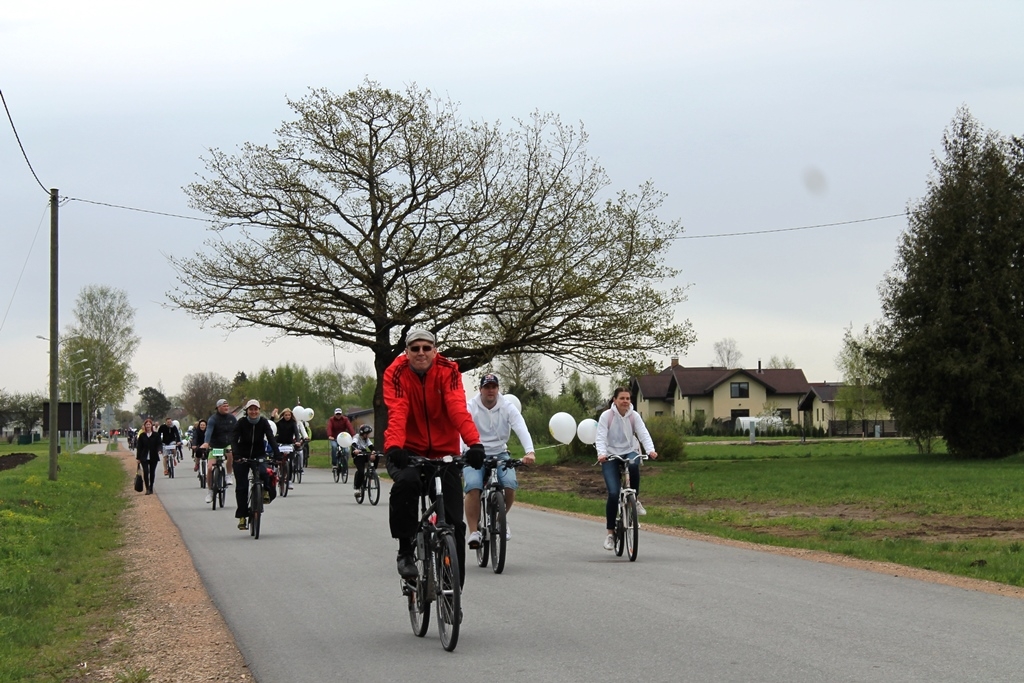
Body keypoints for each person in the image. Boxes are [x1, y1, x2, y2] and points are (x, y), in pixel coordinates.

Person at [383, 327, 485, 582]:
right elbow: (398, 410)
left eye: (426, 348)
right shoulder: (395, 372)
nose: (421, 353)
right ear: (406, 352)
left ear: (435, 350)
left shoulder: (449, 371)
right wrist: (395, 446)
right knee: (407, 484)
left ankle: (454, 591)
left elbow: (456, 408)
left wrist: (474, 444)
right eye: (415, 348)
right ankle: (405, 550)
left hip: (445, 453)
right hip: (409, 450)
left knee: (455, 523)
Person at [464, 373, 536, 547]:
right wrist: (461, 451)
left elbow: (520, 426)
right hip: (475, 452)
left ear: (497, 389)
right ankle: (474, 531)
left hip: (500, 452)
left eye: (493, 387)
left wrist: (530, 451)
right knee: (473, 487)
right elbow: (462, 427)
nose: (490, 391)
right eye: (487, 387)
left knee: (510, 485)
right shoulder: (471, 406)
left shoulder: (507, 406)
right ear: (480, 389)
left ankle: (499, 520)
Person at [595, 387, 658, 551]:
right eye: (622, 398)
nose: (625, 402)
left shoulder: (634, 416)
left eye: (628, 399)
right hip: (610, 454)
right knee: (614, 493)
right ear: (614, 400)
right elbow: (600, 436)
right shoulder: (606, 416)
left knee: (634, 463)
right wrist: (601, 454)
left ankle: (634, 500)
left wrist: (650, 450)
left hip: (629, 450)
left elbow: (643, 433)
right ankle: (610, 534)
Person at [232, 399, 280, 530]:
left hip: (258, 454)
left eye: (256, 409)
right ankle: (242, 516)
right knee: (242, 487)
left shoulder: (263, 422)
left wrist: (277, 454)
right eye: (251, 409)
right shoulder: (241, 423)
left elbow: (271, 438)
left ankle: (265, 491)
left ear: (259, 410)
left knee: (265, 472)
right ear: (247, 411)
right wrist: (236, 455)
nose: (253, 412)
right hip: (242, 456)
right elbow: (234, 440)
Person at [201, 399, 238, 505]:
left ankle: (229, 475)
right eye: (224, 406)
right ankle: (210, 491)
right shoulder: (213, 419)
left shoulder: (232, 418)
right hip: (215, 446)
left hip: (227, 444)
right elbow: (209, 431)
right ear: (218, 408)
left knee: (230, 453)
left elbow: (237, 430)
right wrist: (206, 443)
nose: (226, 408)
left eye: (227, 406)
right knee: (209, 468)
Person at [272, 407, 308, 490]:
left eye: (289, 415)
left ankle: (289, 480)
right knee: (278, 459)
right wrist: (273, 416)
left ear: (291, 416)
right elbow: (272, 425)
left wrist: (298, 441)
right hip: (280, 443)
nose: (287, 416)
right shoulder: (280, 423)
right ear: (283, 415)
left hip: (289, 444)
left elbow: (296, 433)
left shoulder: (293, 423)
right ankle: (277, 471)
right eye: (286, 415)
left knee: (290, 462)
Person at [136, 418, 162, 494]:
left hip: (153, 456)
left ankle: (151, 487)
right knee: (146, 471)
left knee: (152, 472)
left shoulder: (156, 435)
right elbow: (139, 447)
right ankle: (147, 488)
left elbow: (159, 444)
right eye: (146, 425)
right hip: (144, 456)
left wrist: (159, 450)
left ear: (151, 425)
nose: (148, 426)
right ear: (144, 426)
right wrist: (138, 458)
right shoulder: (142, 435)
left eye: (149, 424)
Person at [326, 407, 354, 474]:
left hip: (343, 438)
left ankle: (345, 465)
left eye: (339, 414)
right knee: (334, 447)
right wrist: (330, 435)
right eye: (337, 414)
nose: (338, 415)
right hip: (334, 438)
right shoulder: (331, 420)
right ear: (335, 414)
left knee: (346, 451)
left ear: (341, 414)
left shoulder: (345, 419)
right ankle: (334, 464)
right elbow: (329, 427)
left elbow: (349, 427)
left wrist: (353, 435)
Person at [351, 424, 375, 497]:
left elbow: (371, 446)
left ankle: (373, 472)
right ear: (362, 433)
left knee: (376, 456)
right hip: (357, 455)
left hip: (363, 453)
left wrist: (373, 451)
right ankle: (357, 488)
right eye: (367, 434)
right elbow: (353, 444)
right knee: (361, 472)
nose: (368, 436)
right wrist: (355, 450)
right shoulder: (356, 437)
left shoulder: (366, 439)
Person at [191, 419, 208, 483]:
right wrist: (194, 445)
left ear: (206, 426)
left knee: (208, 456)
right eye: (201, 425)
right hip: (199, 445)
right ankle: (197, 464)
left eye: (204, 425)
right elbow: (195, 438)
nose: (202, 426)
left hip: (207, 445)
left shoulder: (208, 431)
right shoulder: (196, 431)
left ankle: (207, 473)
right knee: (197, 453)